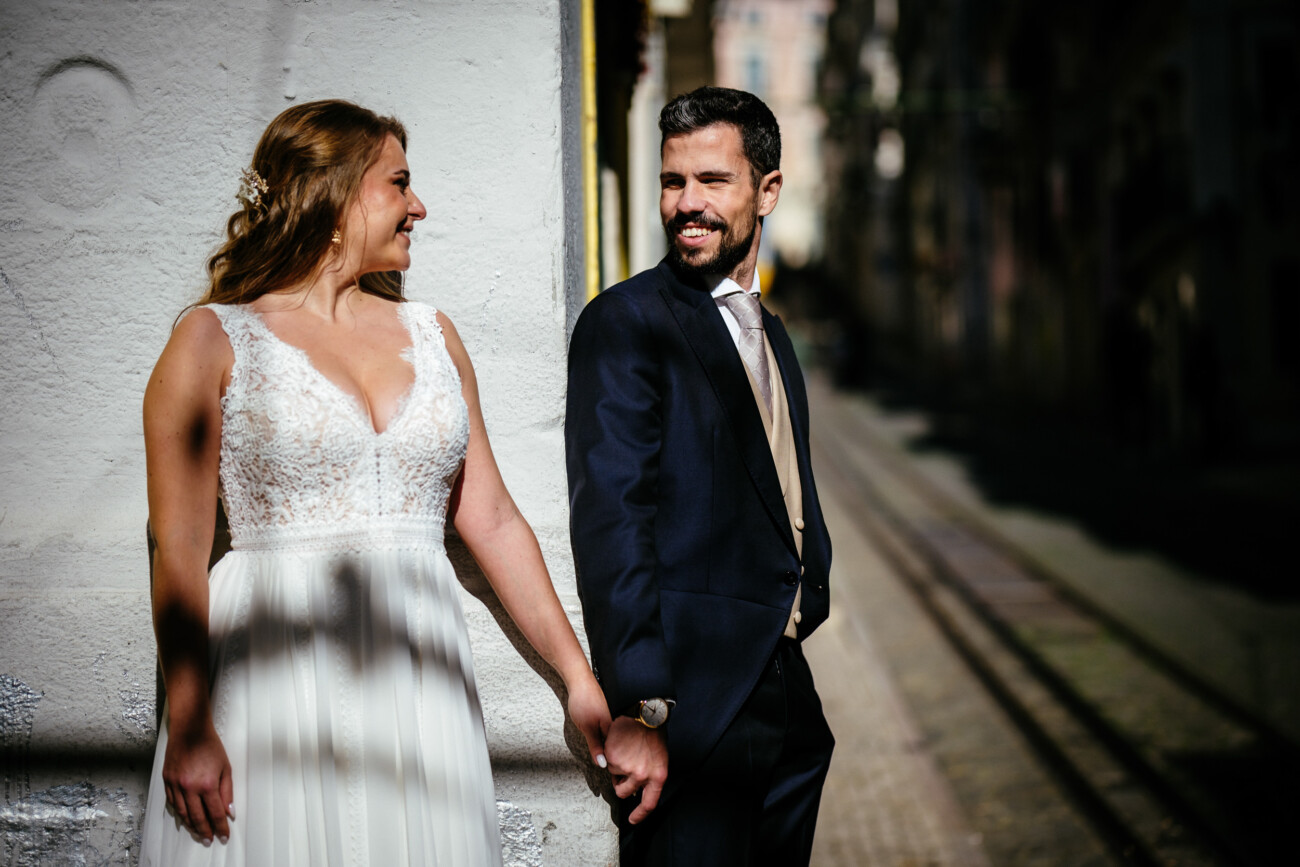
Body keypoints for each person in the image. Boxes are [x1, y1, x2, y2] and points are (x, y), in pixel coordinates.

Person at [139, 99, 609, 866]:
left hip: (418, 674)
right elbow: (179, 543)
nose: (419, 206)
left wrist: (578, 676)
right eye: (399, 183)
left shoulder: (434, 333)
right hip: (269, 679)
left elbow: (489, 517)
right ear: (335, 194)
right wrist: (190, 718)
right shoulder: (212, 339)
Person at [565, 86, 835, 866]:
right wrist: (644, 711)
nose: (687, 203)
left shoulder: (774, 337)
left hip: (784, 699)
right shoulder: (628, 322)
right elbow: (614, 522)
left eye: (712, 181)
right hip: (691, 717)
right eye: (672, 181)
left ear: (767, 190)